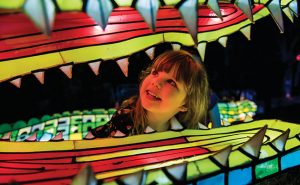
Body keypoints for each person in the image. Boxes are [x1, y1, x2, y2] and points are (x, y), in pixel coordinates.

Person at [86, 50, 210, 138]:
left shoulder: (188, 130)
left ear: (186, 104)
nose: (156, 82)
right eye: (155, 73)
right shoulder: (125, 122)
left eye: (171, 82)